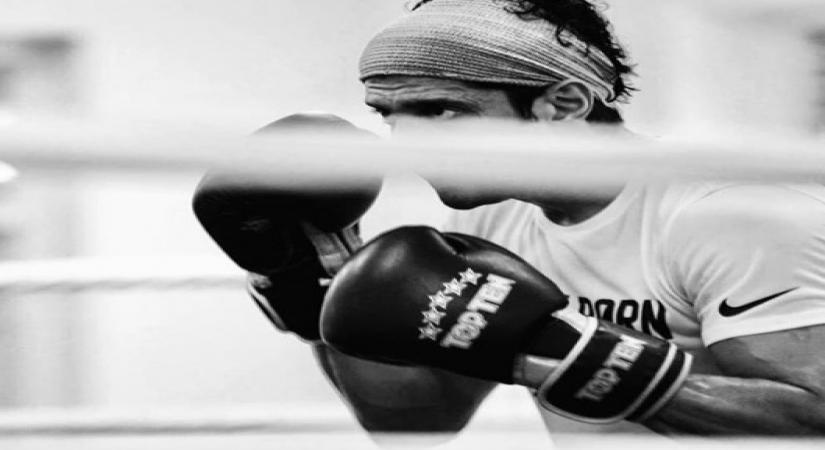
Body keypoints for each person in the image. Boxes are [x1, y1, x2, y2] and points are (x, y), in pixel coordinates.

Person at [195, 0, 825, 439]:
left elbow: (812, 415)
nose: (405, 140)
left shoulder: (727, 214)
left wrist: (564, 354)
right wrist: (320, 283)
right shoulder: (498, 221)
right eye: (389, 114)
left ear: (564, 103)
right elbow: (415, 421)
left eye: (440, 110)